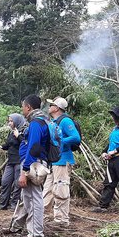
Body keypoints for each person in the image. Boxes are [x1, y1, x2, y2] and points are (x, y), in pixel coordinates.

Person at [6, 95, 49, 237]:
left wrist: (25, 171)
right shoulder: (41, 121)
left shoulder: (36, 123)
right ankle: (21, 227)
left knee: (34, 198)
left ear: (28, 107)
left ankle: (36, 234)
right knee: (27, 198)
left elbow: (34, 148)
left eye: (23, 107)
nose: (22, 110)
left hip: (33, 164)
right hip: (34, 162)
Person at [92, 107, 119, 215]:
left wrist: (115, 151)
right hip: (113, 158)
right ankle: (103, 206)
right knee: (109, 183)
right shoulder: (115, 128)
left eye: (115, 116)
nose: (113, 117)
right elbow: (111, 143)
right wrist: (104, 152)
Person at [43, 97, 81, 227]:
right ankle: (42, 215)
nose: (49, 107)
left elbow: (76, 137)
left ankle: (62, 220)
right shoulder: (54, 121)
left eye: (51, 105)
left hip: (63, 160)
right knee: (47, 189)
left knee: (61, 190)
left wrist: (60, 143)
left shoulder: (65, 121)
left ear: (57, 108)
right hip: (53, 161)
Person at [0, 113, 26, 210]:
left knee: (17, 184)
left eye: (11, 121)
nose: (9, 123)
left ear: (16, 121)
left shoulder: (23, 131)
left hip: (19, 161)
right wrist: (2, 146)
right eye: (9, 121)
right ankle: (3, 204)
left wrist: (18, 136)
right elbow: (9, 144)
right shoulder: (11, 132)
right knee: (5, 181)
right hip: (10, 162)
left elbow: (26, 143)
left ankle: (15, 205)